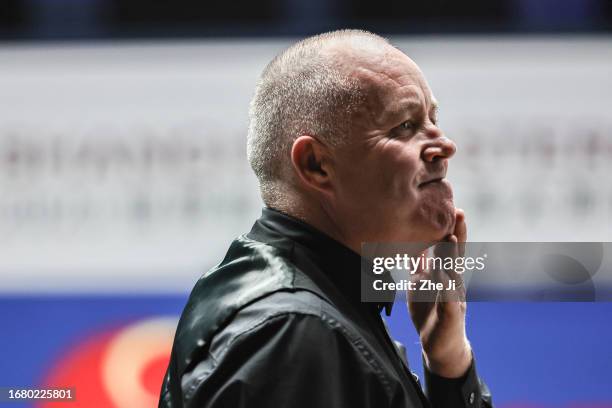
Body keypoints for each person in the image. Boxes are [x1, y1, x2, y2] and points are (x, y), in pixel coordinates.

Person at [160, 29, 493, 408]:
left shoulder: (315, 310)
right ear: (316, 165)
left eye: (433, 119)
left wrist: (448, 364)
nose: (444, 145)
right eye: (404, 126)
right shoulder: (295, 332)